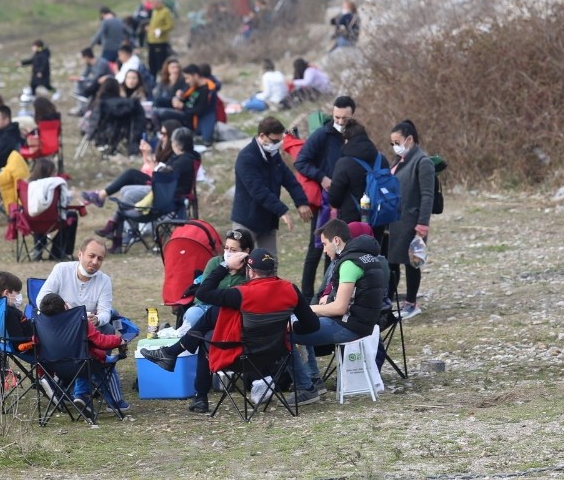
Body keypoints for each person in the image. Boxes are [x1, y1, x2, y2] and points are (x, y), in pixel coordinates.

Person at [140, 248, 320, 412]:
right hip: (275, 355)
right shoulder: (290, 289)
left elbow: (202, 294)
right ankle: (172, 355)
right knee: (214, 314)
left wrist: (225, 265)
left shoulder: (241, 293)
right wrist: (288, 328)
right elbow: (313, 325)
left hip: (242, 358)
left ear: (250, 271)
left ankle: (198, 394)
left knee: (206, 336)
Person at [290, 219, 385, 396]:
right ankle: (311, 379)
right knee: (300, 324)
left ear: (336, 240)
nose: (323, 250)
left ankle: (307, 387)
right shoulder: (367, 257)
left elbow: (339, 308)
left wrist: (308, 310)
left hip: (349, 327)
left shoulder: (350, 263)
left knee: (286, 333)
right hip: (362, 324)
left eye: (325, 244)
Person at [93, 127, 200, 252]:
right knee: (126, 190)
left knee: (127, 195)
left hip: (167, 198)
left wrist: (153, 163)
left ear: (177, 144)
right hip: (167, 193)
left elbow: (161, 175)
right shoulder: (189, 157)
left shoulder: (182, 161)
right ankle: (117, 230)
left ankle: (125, 232)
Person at [295, 96, 356, 296]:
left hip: (345, 199)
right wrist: (321, 177)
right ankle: (306, 295)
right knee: (316, 249)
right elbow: (301, 162)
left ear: (352, 116)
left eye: (344, 118)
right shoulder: (322, 135)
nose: (339, 121)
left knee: (337, 247)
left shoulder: (354, 134)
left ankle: (328, 291)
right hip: (324, 202)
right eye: (336, 117)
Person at [231, 116, 313, 256]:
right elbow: (258, 191)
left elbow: (289, 180)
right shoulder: (246, 157)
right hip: (246, 220)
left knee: (270, 263)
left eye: (279, 140)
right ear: (262, 136)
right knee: (239, 264)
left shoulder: (273, 155)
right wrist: (282, 211)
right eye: (274, 141)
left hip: (267, 221)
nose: (277, 144)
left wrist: (301, 202)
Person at [38, 292, 127, 416]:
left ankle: (81, 396)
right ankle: (115, 403)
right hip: (82, 364)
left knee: (83, 360)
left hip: (54, 368)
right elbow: (100, 342)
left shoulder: (39, 324)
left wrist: (42, 372)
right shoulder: (78, 321)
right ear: (65, 306)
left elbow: (36, 346)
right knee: (105, 362)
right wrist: (119, 340)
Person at [387, 119, 436, 319]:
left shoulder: (422, 161)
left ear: (409, 139)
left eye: (397, 142)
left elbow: (427, 195)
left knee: (411, 262)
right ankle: (389, 299)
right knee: (392, 262)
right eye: (392, 143)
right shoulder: (400, 160)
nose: (395, 147)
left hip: (411, 221)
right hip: (396, 220)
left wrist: (422, 226)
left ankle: (411, 303)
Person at [81, 119, 183, 208]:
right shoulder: (162, 148)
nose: (161, 137)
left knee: (131, 174)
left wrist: (149, 156)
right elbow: (147, 169)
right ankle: (113, 219)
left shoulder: (174, 155)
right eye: (161, 133)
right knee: (128, 181)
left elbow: (157, 175)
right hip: (156, 182)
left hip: (162, 186)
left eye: (164, 134)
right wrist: (145, 154)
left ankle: (101, 195)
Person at [178, 227, 253, 333]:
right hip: (206, 307)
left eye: (234, 250)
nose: (228, 252)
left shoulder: (251, 270)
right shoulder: (215, 263)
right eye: (226, 248)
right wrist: (225, 266)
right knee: (193, 314)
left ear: (246, 251)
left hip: (235, 312)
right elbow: (202, 294)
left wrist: (215, 295)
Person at [37, 238, 113, 331]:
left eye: (100, 259)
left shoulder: (105, 280)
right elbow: (41, 300)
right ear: (80, 254)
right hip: (60, 323)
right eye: (91, 256)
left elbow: (105, 312)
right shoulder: (61, 269)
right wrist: (59, 310)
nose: (95, 262)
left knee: (108, 329)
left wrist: (97, 319)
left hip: (86, 327)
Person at [327, 119, 390, 228]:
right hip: (379, 219)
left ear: (347, 140)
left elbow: (334, 199)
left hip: (352, 223)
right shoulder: (382, 160)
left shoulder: (344, 164)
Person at [0, 271, 32, 340]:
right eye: (17, 292)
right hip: (26, 348)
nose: (19, 296)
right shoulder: (10, 313)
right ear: (6, 293)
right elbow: (18, 340)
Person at [145, 0, 174, 75]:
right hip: (151, 41)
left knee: (160, 64)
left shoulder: (165, 11)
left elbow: (170, 25)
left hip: (160, 42)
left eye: (153, 2)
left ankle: (162, 79)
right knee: (151, 63)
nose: (152, 4)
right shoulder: (154, 11)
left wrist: (160, 30)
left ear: (159, 2)